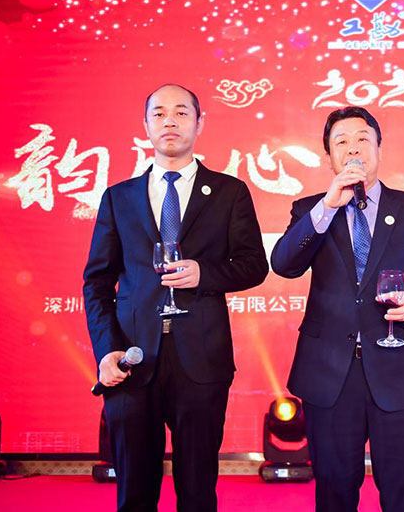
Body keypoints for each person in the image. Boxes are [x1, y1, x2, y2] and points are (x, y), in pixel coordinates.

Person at [83, 84, 268, 511]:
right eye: (160, 113)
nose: (170, 121)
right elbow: (97, 283)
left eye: (182, 113)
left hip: (201, 360)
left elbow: (254, 265)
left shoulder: (229, 192)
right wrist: (107, 349)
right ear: (146, 125)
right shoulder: (119, 197)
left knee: (198, 489)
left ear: (200, 124)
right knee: (134, 491)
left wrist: (206, 274)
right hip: (132, 360)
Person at [271, 106, 404, 512]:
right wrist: (327, 206)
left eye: (362, 140)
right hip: (328, 374)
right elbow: (284, 264)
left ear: (379, 149)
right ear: (329, 157)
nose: (353, 149)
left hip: (397, 368)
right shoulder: (312, 209)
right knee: (334, 491)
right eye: (342, 142)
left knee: (402, 491)